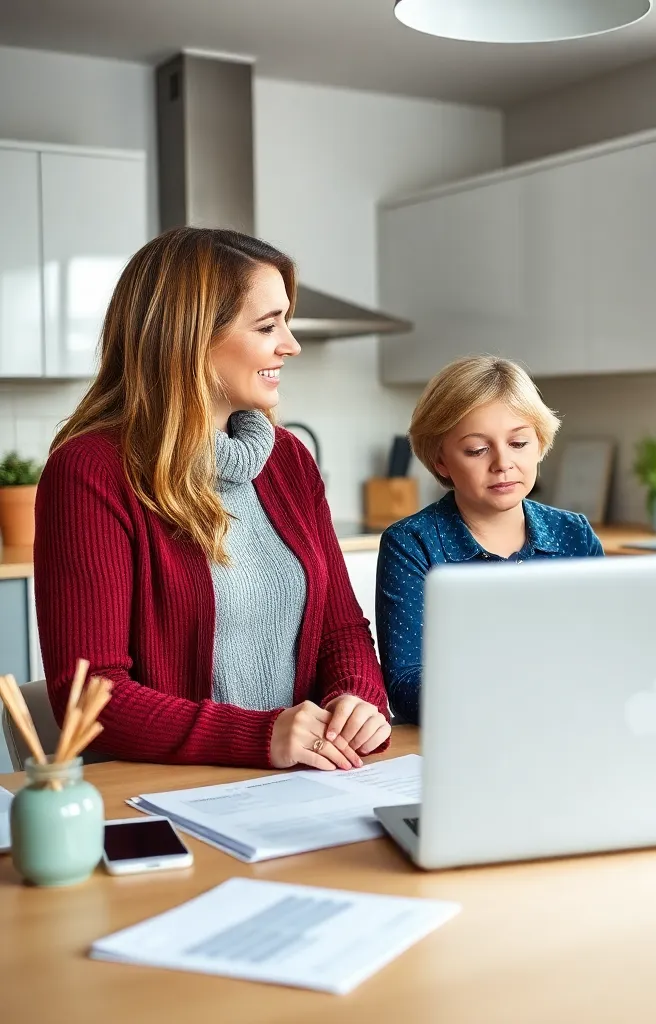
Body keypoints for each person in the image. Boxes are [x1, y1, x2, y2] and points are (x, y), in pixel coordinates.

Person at [34, 227, 391, 769]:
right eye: (269, 325)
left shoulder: (289, 459)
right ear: (190, 336)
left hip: (301, 782)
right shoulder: (92, 470)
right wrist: (261, 736)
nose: (290, 344)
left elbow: (341, 630)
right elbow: (90, 697)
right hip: (162, 796)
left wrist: (355, 696)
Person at [376, 356, 604, 724]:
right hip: (469, 736)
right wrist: (516, 693)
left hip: (570, 727)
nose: (502, 462)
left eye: (518, 443)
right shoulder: (411, 544)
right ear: (441, 461)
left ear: (540, 443)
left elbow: (605, 648)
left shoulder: (575, 535)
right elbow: (405, 683)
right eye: (477, 450)